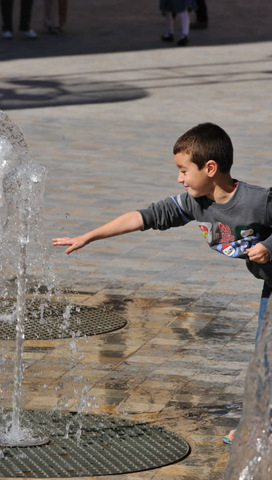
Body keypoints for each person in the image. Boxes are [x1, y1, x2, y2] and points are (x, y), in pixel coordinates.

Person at [52, 122, 272, 443]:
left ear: (210, 168)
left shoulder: (258, 201)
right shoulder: (195, 203)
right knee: (264, 355)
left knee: (266, 356)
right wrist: (89, 236)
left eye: (184, 171)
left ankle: (257, 428)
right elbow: (143, 217)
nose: (179, 179)